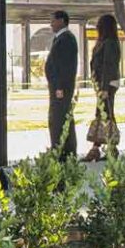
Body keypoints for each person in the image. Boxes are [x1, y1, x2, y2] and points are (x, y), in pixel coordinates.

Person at [82, 14, 121, 162]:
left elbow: (108, 66)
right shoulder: (104, 42)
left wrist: (104, 88)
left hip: (107, 84)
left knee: (105, 114)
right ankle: (108, 148)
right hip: (103, 84)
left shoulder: (109, 43)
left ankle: (97, 149)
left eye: (99, 24)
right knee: (105, 113)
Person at [45, 10, 78, 160]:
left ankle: (61, 150)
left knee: (59, 118)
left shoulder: (66, 39)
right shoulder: (61, 38)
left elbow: (64, 66)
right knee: (63, 117)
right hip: (57, 86)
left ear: (62, 21)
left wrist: (59, 86)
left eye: (53, 20)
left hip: (61, 87)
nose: (51, 24)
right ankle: (65, 149)